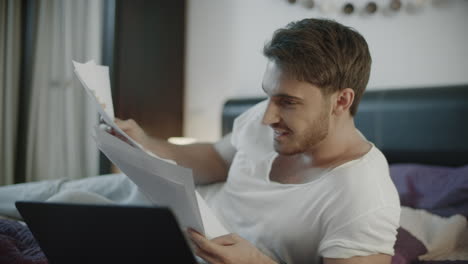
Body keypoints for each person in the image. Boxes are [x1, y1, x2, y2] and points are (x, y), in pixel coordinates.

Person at [0, 18, 400, 264]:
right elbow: (212, 157)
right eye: (268, 95)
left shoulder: (364, 195)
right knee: (58, 203)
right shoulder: (265, 120)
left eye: (288, 102)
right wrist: (146, 141)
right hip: (167, 223)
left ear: (341, 100)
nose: (267, 116)